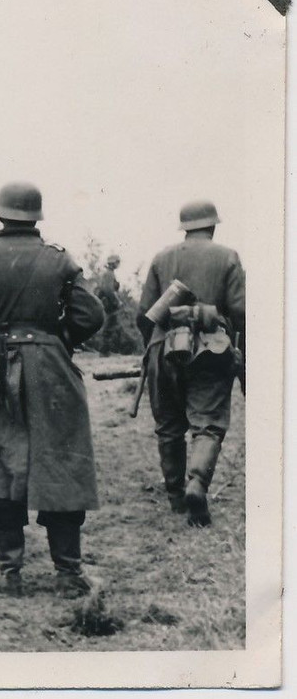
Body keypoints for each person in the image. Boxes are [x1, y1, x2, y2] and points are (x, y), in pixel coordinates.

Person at [0, 181, 105, 598]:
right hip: (52, 371)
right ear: (36, 217)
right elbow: (92, 313)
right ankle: (69, 575)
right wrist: (57, 339)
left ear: (0, 216)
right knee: (61, 464)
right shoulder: (59, 259)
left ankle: (9, 571)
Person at [138, 200, 245, 527]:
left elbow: (143, 315)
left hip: (164, 348)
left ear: (185, 227)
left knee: (169, 426)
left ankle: (175, 498)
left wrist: (154, 352)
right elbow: (241, 312)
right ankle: (197, 484)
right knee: (208, 425)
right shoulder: (228, 257)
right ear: (212, 226)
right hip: (211, 351)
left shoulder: (161, 257)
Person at [95, 254, 122, 354]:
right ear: (113, 263)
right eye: (117, 262)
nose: (118, 264)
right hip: (109, 304)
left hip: (108, 303)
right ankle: (104, 351)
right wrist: (117, 301)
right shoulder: (109, 274)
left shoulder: (109, 273)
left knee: (111, 326)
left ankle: (106, 350)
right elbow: (108, 290)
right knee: (109, 326)